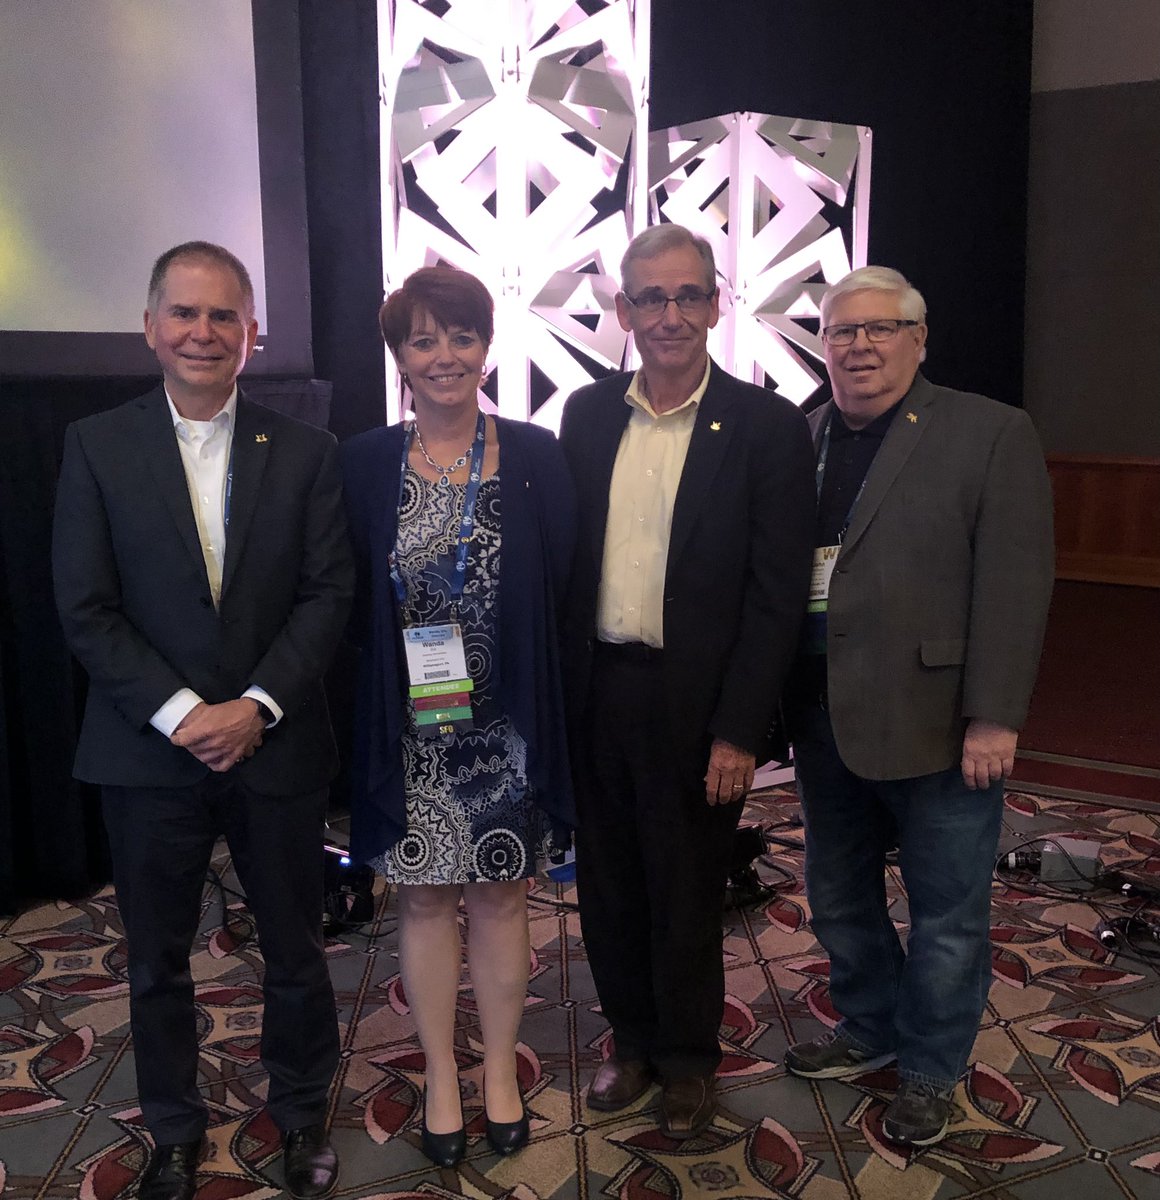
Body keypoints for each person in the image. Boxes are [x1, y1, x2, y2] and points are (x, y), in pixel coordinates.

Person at [52, 243, 352, 1200]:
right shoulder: (95, 446)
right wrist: (188, 716)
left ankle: (302, 1113)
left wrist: (255, 707)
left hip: (277, 742)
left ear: (252, 333)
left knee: (297, 951)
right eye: (184, 314)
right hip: (149, 754)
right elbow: (85, 607)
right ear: (150, 327)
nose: (203, 333)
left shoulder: (306, 450)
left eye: (225, 316)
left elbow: (327, 594)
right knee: (156, 963)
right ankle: (174, 1128)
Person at [782, 266, 1054, 1147]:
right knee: (837, 896)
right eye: (841, 331)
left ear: (919, 337)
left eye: (881, 328)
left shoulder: (988, 432)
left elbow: (1015, 583)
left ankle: (932, 1069)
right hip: (824, 716)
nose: (859, 345)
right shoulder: (804, 435)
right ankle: (867, 1028)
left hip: (943, 722)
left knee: (947, 914)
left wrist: (996, 716)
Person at [558, 225, 816, 1139]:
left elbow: (776, 598)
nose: (670, 315)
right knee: (611, 888)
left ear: (715, 303)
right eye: (651, 298)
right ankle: (629, 1044)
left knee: (686, 890)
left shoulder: (769, 428)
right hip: (599, 694)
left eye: (688, 295)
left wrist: (740, 731)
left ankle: (687, 1062)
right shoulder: (585, 416)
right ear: (624, 311)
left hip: (699, 706)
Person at [341, 266, 576, 1167]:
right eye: (424, 340)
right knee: (426, 900)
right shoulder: (362, 461)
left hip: (506, 731)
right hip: (411, 734)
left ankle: (500, 1072)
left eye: (461, 336)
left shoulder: (536, 454)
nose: (444, 356)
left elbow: (563, 591)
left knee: (503, 897)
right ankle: (442, 1068)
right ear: (400, 356)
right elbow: (348, 598)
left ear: (487, 345)